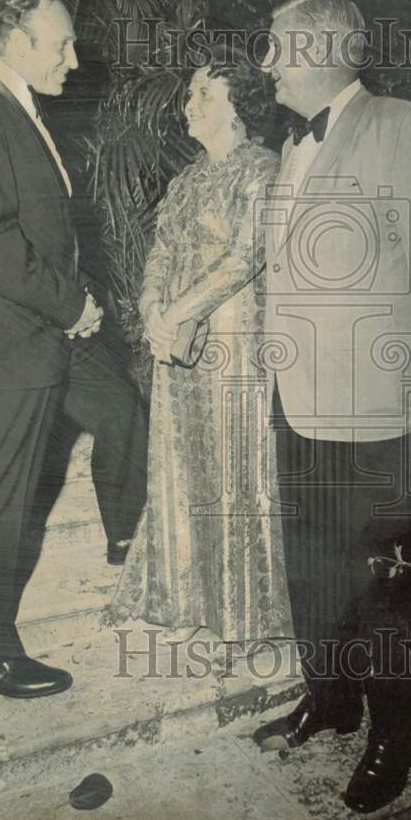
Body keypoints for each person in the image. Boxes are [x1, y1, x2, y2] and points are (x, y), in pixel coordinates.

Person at [251, 0, 411, 813]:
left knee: (385, 580)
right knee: (313, 565)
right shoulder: (293, 142)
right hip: (301, 397)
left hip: (382, 405)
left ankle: (400, 726)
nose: (268, 60)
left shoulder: (401, 125)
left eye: (277, 45)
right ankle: (333, 697)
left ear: (318, 50)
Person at [0, 0, 148, 699]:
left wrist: (73, 307)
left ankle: (127, 542)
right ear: (15, 41)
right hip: (8, 339)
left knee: (118, 407)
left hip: (42, 330)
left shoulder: (18, 110)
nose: (74, 61)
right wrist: (71, 302)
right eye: (61, 46)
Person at [106, 47, 292, 645]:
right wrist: (153, 311)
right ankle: (186, 597)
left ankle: (241, 612)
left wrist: (177, 314)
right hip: (176, 345)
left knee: (233, 471)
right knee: (181, 466)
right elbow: (159, 251)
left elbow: (243, 258)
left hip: (234, 348)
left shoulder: (261, 171)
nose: (189, 105)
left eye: (203, 95)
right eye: (190, 94)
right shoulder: (186, 179)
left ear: (239, 107)